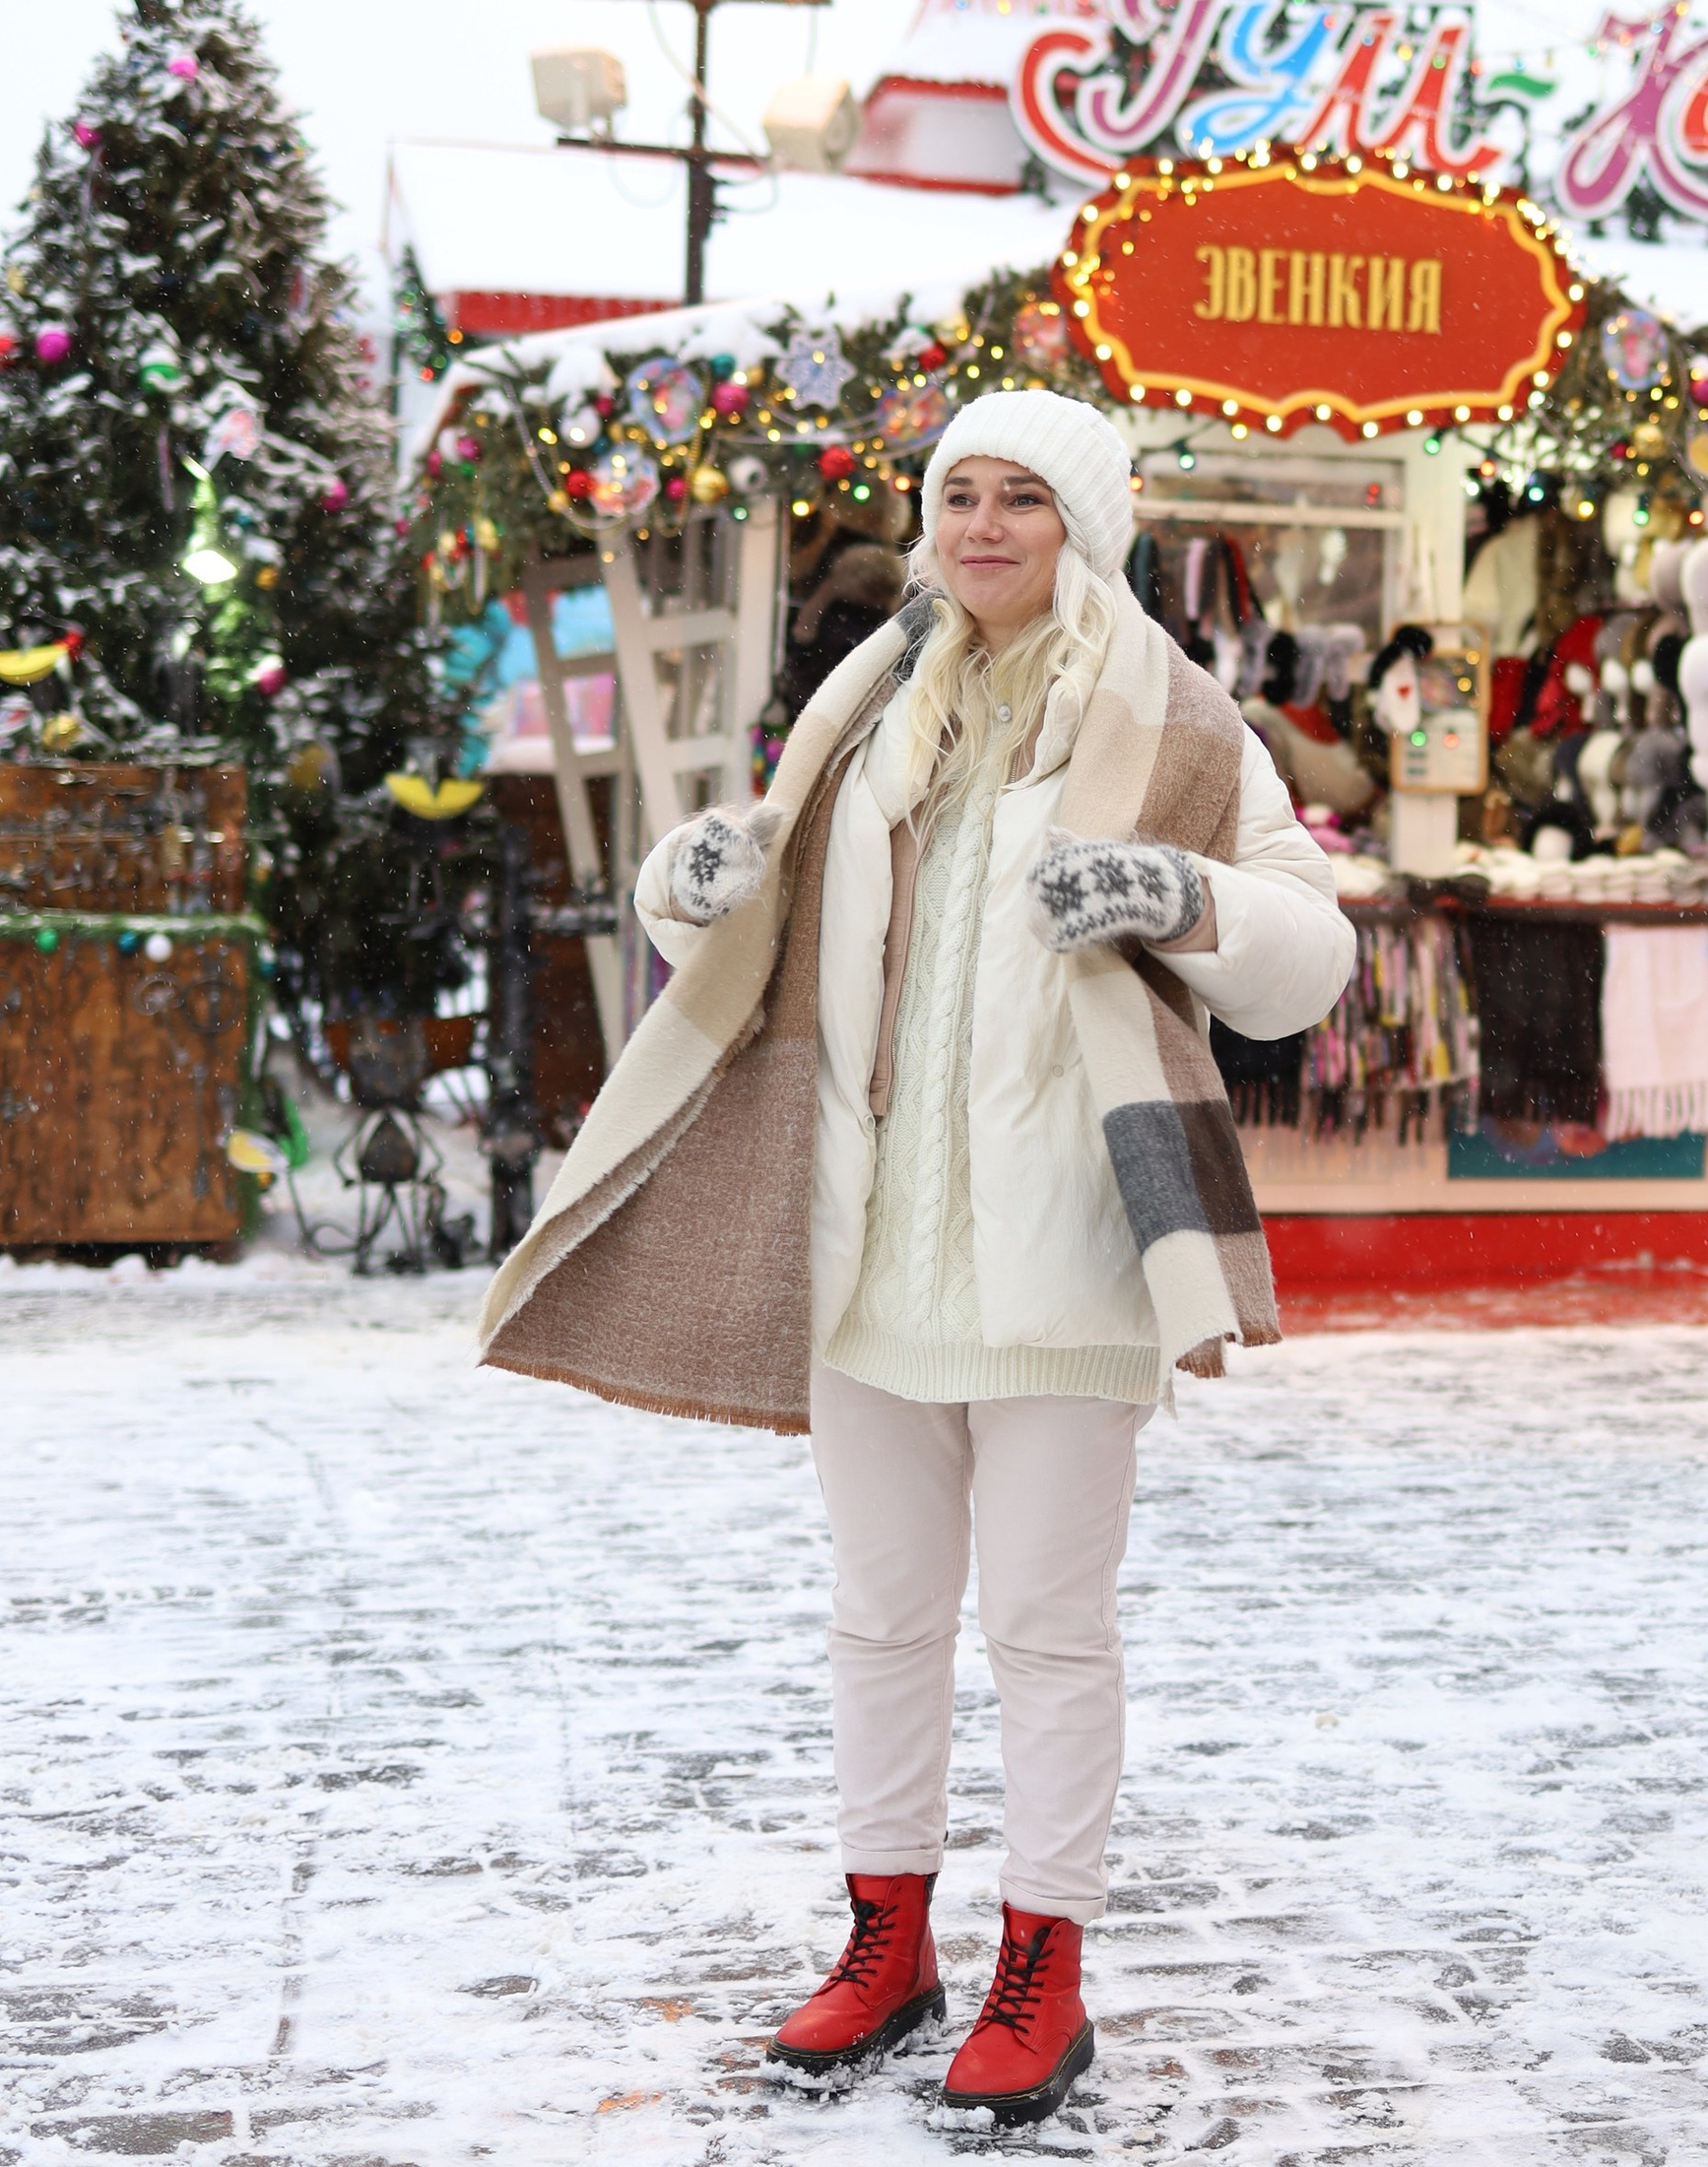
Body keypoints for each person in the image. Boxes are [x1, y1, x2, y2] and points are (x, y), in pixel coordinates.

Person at [474, 391, 1355, 2130]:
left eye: (1024, 497)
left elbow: (1307, 952)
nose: (984, 527)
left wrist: (1180, 898)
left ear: (1083, 526)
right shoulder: (874, 704)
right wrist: (684, 880)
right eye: (960, 494)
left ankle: (1045, 1966)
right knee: (878, 1615)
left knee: (1045, 1627)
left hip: (1069, 1252)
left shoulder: (1184, 721)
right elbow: (757, 886)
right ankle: (888, 1941)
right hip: (871, 1245)